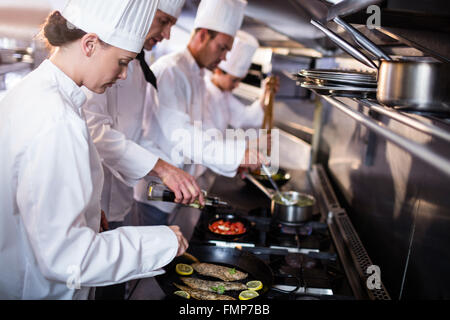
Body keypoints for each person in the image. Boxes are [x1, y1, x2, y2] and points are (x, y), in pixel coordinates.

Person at [0, 0, 188, 300]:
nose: (124, 74)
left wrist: (86, 210)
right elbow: (68, 258)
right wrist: (162, 243)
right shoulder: (58, 119)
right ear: (89, 44)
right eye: (123, 62)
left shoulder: (33, 92)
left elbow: (33, 195)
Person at [133, 0, 267, 232]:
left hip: (184, 189)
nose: (225, 57)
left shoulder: (197, 75)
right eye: (223, 47)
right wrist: (235, 155)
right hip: (157, 191)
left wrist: (235, 158)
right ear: (203, 35)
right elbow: (182, 135)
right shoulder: (170, 71)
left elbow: (203, 130)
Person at [81, 0, 199, 231]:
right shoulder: (97, 60)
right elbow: (95, 133)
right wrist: (162, 168)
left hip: (121, 202)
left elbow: (133, 135)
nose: (166, 34)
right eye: (163, 21)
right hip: (92, 205)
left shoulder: (138, 69)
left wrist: (170, 169)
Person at [205, 30, 279, 133]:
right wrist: (245, 147)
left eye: (239, 80)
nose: (237, 85)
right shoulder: (205, 93)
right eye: (234, 80)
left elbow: (245, 118)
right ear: (218, 71)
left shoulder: (224, 95)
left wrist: (266, 93)